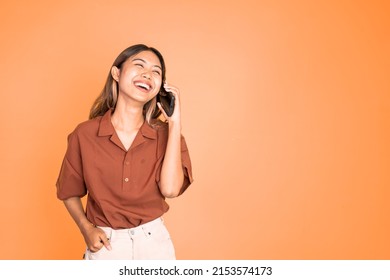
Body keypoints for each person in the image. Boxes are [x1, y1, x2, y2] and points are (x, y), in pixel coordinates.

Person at [56, 44, 193, 260]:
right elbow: (68, 190)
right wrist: (86, 228)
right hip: (106, 245)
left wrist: (175, 122)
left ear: (160, 87)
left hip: (154, 245)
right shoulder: (85, 134)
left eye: (156, 72)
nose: (147, 74)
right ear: (116, 73)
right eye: (139, 65)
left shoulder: (167, 135)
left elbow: (170, 189)